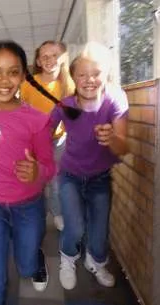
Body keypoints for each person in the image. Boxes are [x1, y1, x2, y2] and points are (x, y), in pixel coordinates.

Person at [0, 41, 56, 305]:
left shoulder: (37, 119)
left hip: (29, 206)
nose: (4, 80)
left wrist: (37, 172)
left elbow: (50, 166)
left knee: (26, 268)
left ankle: (35, 259)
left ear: (22, 76)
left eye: (13, 72)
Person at [51, 45, 129, 290]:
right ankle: (67, 259)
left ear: (105, 74)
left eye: (96, 73)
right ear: (74, 77)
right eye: (82, 74)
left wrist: (112, 139)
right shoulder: (65, 105)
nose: (89, 80)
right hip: (70, 177)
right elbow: (42, 133)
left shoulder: (115, 99)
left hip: (100, 178)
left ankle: (95, 263)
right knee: (74, 226)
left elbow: (123, 148)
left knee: (99, 232)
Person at [20, 40, 75, 231]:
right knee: (36, 183)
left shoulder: (68, 84)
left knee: (57, 182)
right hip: (34, 142)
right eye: (44, 56)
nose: (49, 60)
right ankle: (37, 219)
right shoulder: (28, 84)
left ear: (62, 59)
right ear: (38, 60)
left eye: (54, 55)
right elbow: (22, 112)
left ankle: (58, 213)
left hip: (60, 142)